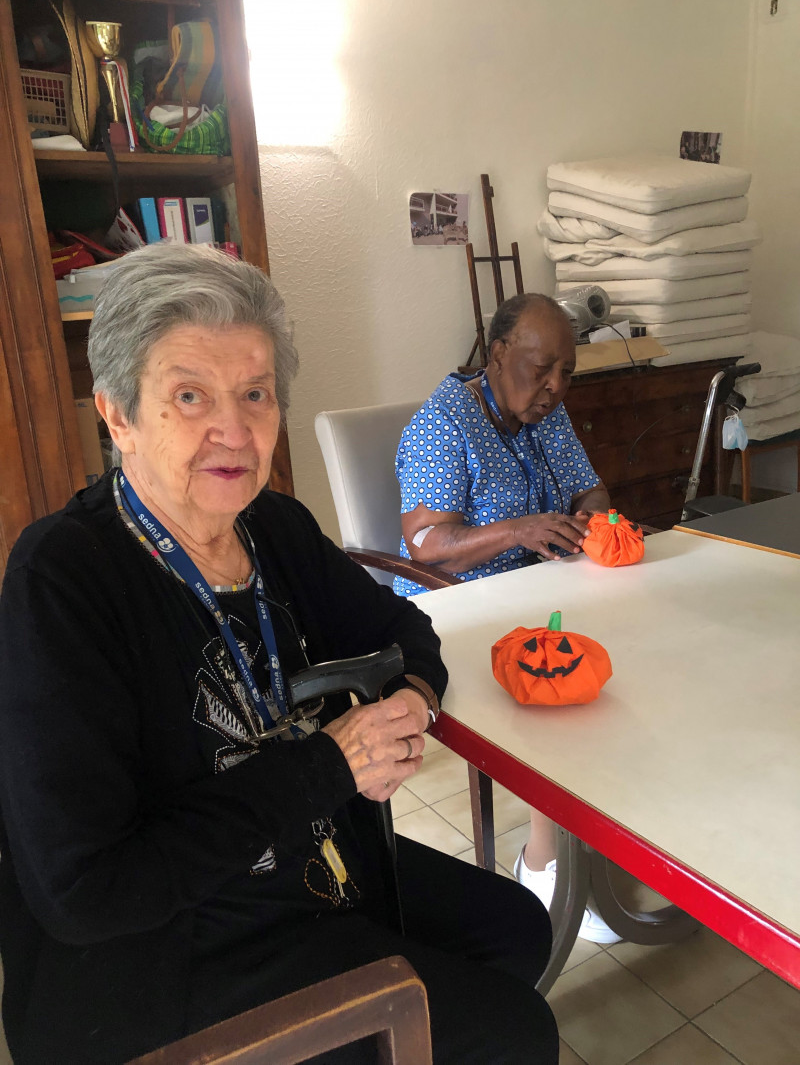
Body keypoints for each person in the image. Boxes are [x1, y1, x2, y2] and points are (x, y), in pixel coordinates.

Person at [0, 244, 558, 1065]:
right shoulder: (64, 577)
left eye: (255, 393)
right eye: (190, 395)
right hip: (162, 955)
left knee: (517, 928)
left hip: (298, 867)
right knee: (516, 1033)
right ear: (116, 412)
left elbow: (406, 631)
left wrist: (413, 698)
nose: (235, 430)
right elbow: (88, 891)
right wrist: (330, 765)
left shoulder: (274, 529)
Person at [394, 292, 621, 945]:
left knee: (625, 665)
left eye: (567, 372)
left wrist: (594, 517)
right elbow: (427, 543)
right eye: (542, 367)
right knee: (564, 691)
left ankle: (594, 844)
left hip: (544, 592)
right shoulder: (445, 423)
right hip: (461, 607)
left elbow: (590, 487)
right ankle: (547, 864)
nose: (555, 386)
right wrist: (519, 529)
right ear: (497, 355)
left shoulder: (545, 415)